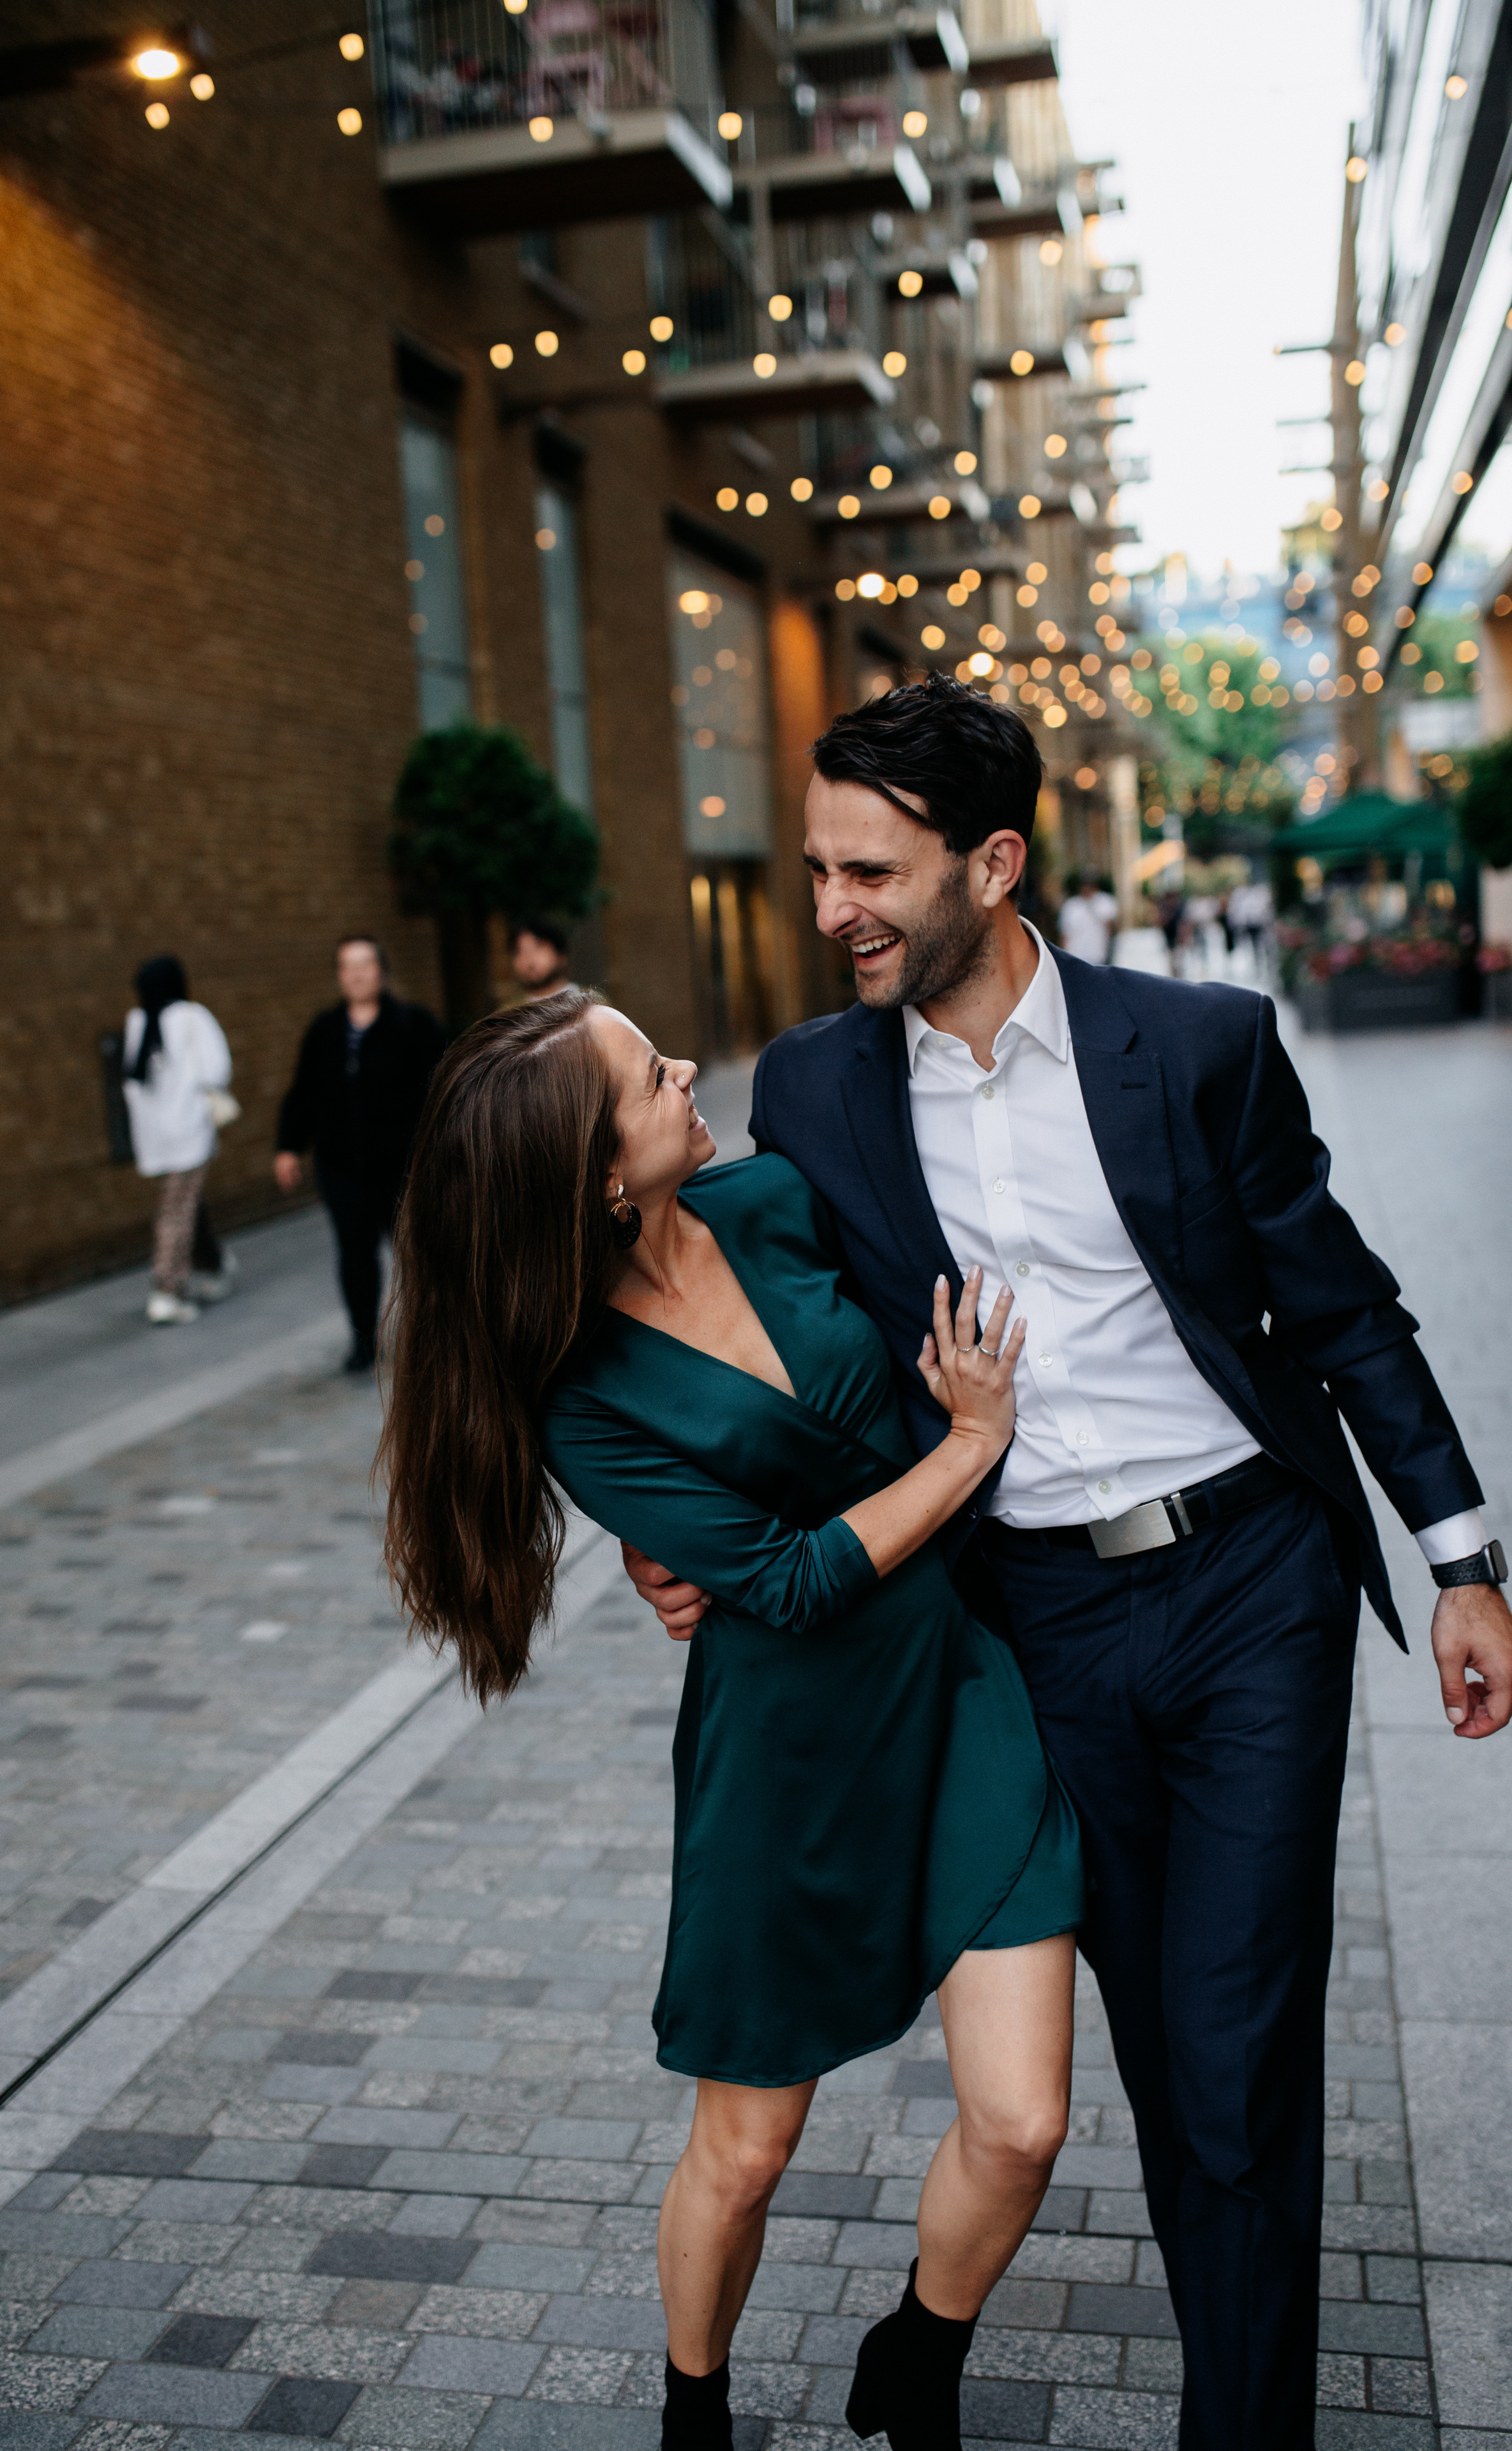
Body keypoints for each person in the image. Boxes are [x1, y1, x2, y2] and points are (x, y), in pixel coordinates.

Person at [625, 674, 1512, 2451]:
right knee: (1173, 2053)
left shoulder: (1195, 1045)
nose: (833, 910)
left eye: (871, 874)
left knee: (1237, 2041)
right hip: (1028, 1621)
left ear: (994, 863)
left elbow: (1342, 1309)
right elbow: (732, 1309)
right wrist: (673, 1525)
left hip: (1247, 1583)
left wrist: (1461, 1558)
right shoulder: (813, 1086)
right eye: (817, 870)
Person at [379, 987, 1084, 2451]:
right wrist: (970, 1447)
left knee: (1021, 2122)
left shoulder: (769, 1200)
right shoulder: (580, 1396)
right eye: (650, 1075)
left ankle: (919, 2354)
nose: (688, 1070)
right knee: (750, 2146)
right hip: (786, 1757)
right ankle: (690, 2407)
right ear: (595, 1174)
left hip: (955, 1687)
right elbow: (788, 1581)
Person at [274, 936, 445, 1373]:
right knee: (354, 1254)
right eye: (347, 966)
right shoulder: (325, 1031)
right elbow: (304, 1092)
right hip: (342, 1167)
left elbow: (443, 1089)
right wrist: (288, 1147)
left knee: (417, 1255)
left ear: (381, 970)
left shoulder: (413, 1024)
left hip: (403, 1167)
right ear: (339, 975)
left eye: (365, 964)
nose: (356, 974)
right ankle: (362, 1340)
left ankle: (433, 1337)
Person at [121, 956, 234, 1327]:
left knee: (186, 1202)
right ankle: (167, 1291)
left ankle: (213, 1266)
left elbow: (131, 1083)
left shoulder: (136, 1021)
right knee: (178, 1211)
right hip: (189, 1131)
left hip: (155, 1137)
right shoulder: (191, 1016)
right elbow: (217, 1070)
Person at [1056, 870, 1116, 964]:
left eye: (1090, 885)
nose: (1087, 888)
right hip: (1075, 956)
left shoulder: (1105, 902)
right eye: (1085, 884)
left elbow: (1110, 928)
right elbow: (1065, 934)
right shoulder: (1071, 905)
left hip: (1098, 957)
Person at [508, 915, 571, 999]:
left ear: (560, 955)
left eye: (538, 948)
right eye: (519, 951)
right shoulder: (512, 1007)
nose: (529, 960)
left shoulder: (586, 1003)